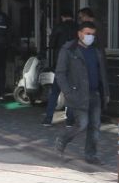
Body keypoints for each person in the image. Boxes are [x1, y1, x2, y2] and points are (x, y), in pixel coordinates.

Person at [55, 22, 110, 165]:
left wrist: (106, 92)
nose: (90, 37)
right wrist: (68, 92)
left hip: (95, 93)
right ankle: (63, 139)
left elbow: (102, 72)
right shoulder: (69, 50)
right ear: (79, 34)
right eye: (87, 33)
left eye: (93, 34)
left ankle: (91, 155)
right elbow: (60, 73)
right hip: (78, 94)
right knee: (82, 124)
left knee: (95, 126)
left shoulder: (96, 50)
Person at [43, 11, 78, 127]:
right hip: (74, 63)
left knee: (55, 92)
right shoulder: (78, 27)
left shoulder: (59, 27)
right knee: (71, 91)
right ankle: (70, 120)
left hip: (61, 63)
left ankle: (48, 119)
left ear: (63, 16)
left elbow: (51, 44)